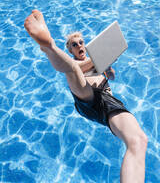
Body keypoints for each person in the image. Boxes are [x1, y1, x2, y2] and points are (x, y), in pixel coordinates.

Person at [24, 10, 148, 183]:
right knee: (73, 69)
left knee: (138, 140)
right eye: (74, 44)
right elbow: (78, 67)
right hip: (86, 95)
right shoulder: (77, 61)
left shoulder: (96, 62)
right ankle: (48, 45)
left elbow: (111, 77)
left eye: (81, 42)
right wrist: (105, 53)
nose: (80, 45)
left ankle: (47, 46)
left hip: (106, 102)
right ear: (70, 50)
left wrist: (108, 65)